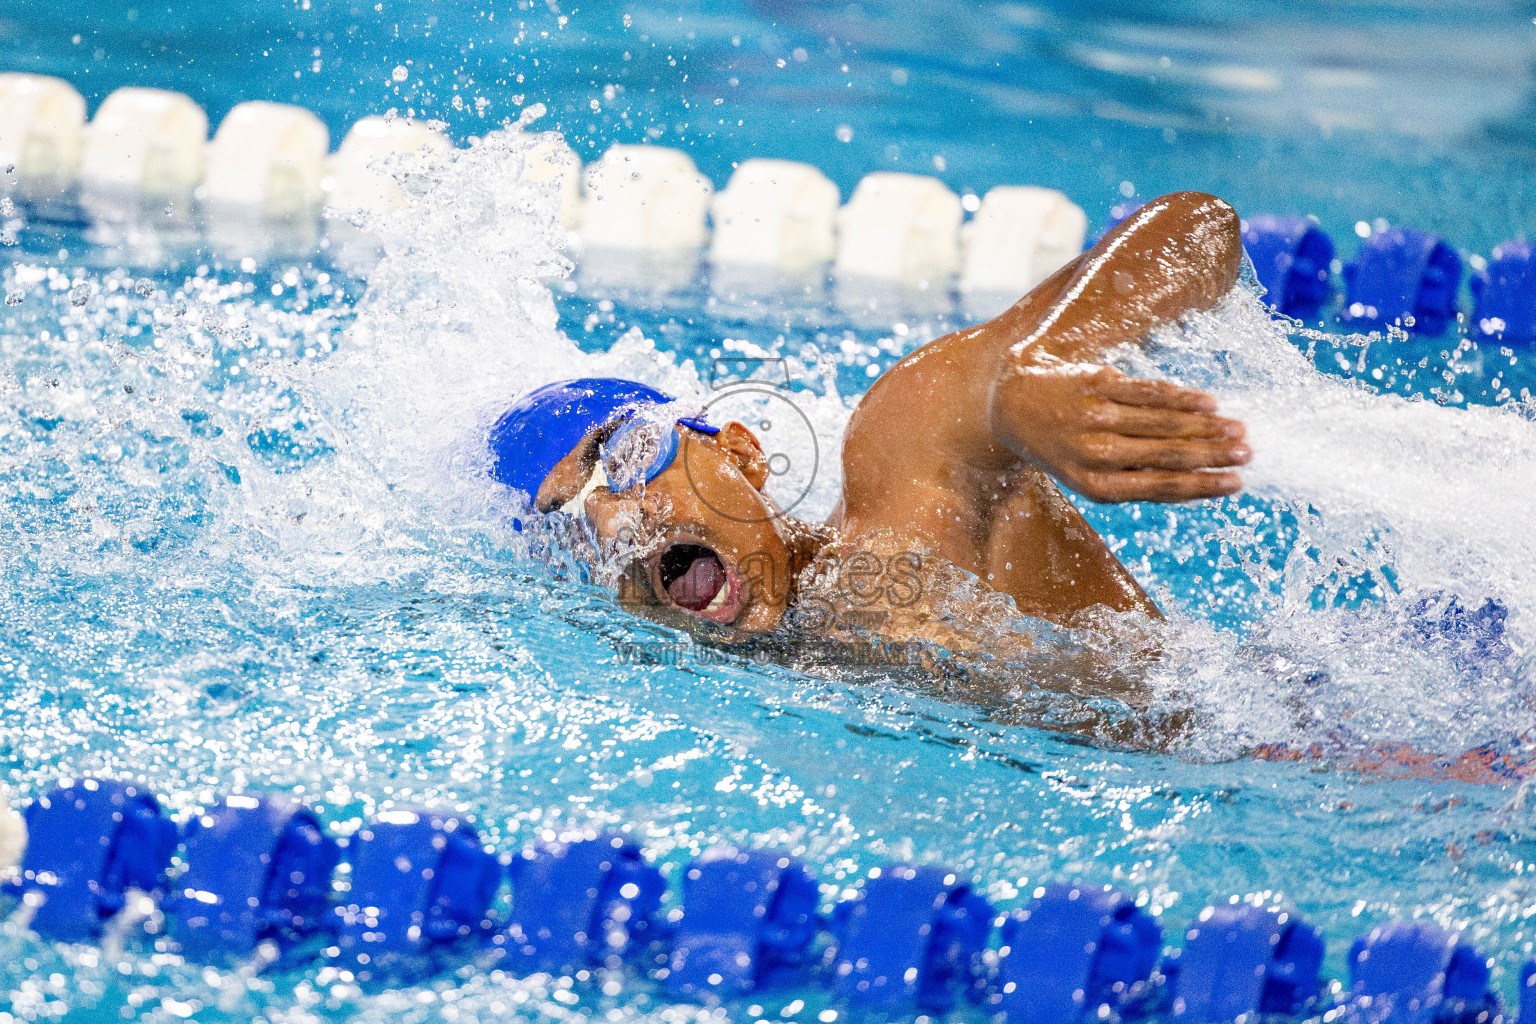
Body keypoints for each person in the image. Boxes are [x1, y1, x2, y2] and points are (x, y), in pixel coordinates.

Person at [488, 191, 1251, 660]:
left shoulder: (903, 470)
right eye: (572, 525)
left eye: (623, 456)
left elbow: (1198, 225)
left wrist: (1032, 375)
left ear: (745, 453)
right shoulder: (736, 676)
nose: (617, 515)